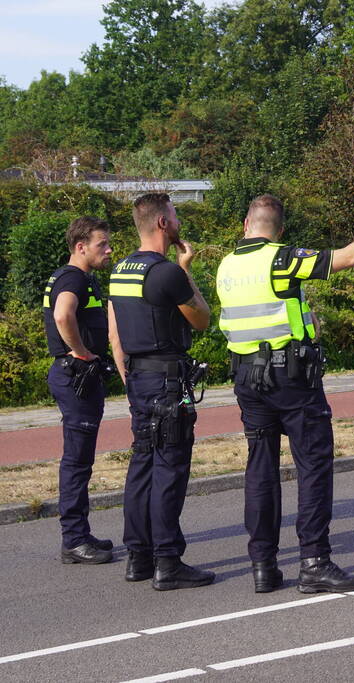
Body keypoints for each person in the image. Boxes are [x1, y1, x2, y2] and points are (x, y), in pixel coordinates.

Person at [215, 194, 354, 594]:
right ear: (280, 229)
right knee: (312, 465)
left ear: (246, 224)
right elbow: (346, 258)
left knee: (260, 469)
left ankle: (263, 564)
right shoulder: (282, 258)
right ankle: (314, 562)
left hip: (246, 378)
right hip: (290, 380)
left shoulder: (228, 264)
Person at [108, 193, 214, 590]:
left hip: (138, 378)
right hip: (168, 380)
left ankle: (138, 556)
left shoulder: (120, 270)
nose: (179, 221)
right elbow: (201, 319)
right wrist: (187, 270)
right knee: (170, 467)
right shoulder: (167, 272)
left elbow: (115, 332)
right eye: (175, 215)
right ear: (163, 224)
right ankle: (168, 561)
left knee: (142, 464)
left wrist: (128, 376)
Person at [43, 217, 115, 564]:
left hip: (74, 377)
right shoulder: (73, 278)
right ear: (81, 246)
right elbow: (62, 316)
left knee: (80, 460)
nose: (109, 249)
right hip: (75, 377)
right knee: (76, 461)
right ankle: (73, 540)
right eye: (103, 244)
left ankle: (80, 533)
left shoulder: (75, 276)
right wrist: (82, 352)